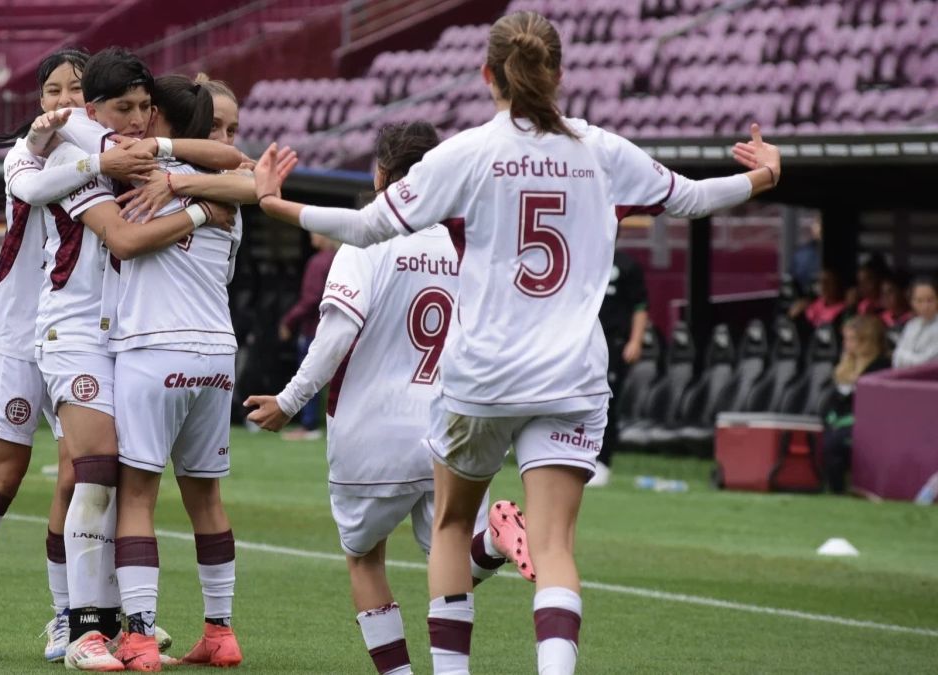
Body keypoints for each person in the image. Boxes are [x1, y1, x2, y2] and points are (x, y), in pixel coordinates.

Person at [252, 11, 782, 673]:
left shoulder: (469, 152)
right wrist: (763, 176)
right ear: (558, 74)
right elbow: (697, 197)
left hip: (483, 374)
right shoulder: (602, 150)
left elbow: (363, 228)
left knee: (449, 527)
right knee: (555, 542)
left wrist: (277, 204)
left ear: (487, 76)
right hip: (571, 376)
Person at [245, 121, 534, 675]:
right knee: (453, 556)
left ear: (380, 175)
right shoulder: (467, 241)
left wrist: (288, 399)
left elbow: (335, 334)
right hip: (452, 426)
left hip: (372, 429)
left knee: (364, 557)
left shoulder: (367, 237)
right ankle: (493, 544)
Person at [0, 48, 157, 664]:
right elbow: (35, 187)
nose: (61, 101)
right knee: (1, 478)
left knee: (81, 475)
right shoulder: (27, 153)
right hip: (14, 332)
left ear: (91, 101)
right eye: (51, 90)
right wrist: (97, 159)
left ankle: (70, 620)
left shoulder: (112, 151)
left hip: (81, 333)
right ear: (39, 100)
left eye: (74, 89)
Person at [25, 47, 238, 671]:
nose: (141, 119)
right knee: (92, 472)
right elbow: (120, 236)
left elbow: (242, 169)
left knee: (107, 479)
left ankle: (103, 624)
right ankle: (82, 626)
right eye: (128, 107)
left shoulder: (143, 152)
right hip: (74, 331)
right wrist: (202, 209)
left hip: (128, 337)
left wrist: (176, 172)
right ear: (95, 108)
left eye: (148, 108)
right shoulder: (77, 151)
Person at [589, 248, 648, 487]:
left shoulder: (626, 264)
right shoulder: (583, 256)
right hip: (582, 344)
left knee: (608, 404)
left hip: (614, 344)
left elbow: (640, 306)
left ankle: (603, 462)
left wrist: (635, 340)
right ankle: (578, 458)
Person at [277, 232, 338, 440]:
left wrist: (289, 321)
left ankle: (308, 424)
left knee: (310, 375)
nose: (311, 235)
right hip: (339, 329)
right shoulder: (342, 258)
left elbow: (311, 298)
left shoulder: (318, 262)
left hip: (314, 328)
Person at [821, 315, 891, 493]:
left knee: (834, 442)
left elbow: (874, 406)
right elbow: (831, 400)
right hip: (839, 421)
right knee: (828, 436)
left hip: (865, 423)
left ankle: (839, 490)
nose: (847, 344)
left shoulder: (881, 366)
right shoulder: (844, 365)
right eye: (846, 338)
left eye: (853, 339)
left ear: (867, 340)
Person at [892, 276, 938, 368]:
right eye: (919, 301)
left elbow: (927, 362)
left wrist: (904, 357)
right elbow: (896, 358)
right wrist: (910, 358)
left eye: (930, 300)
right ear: (912, 302)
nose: (925, 306)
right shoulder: (911, 325)